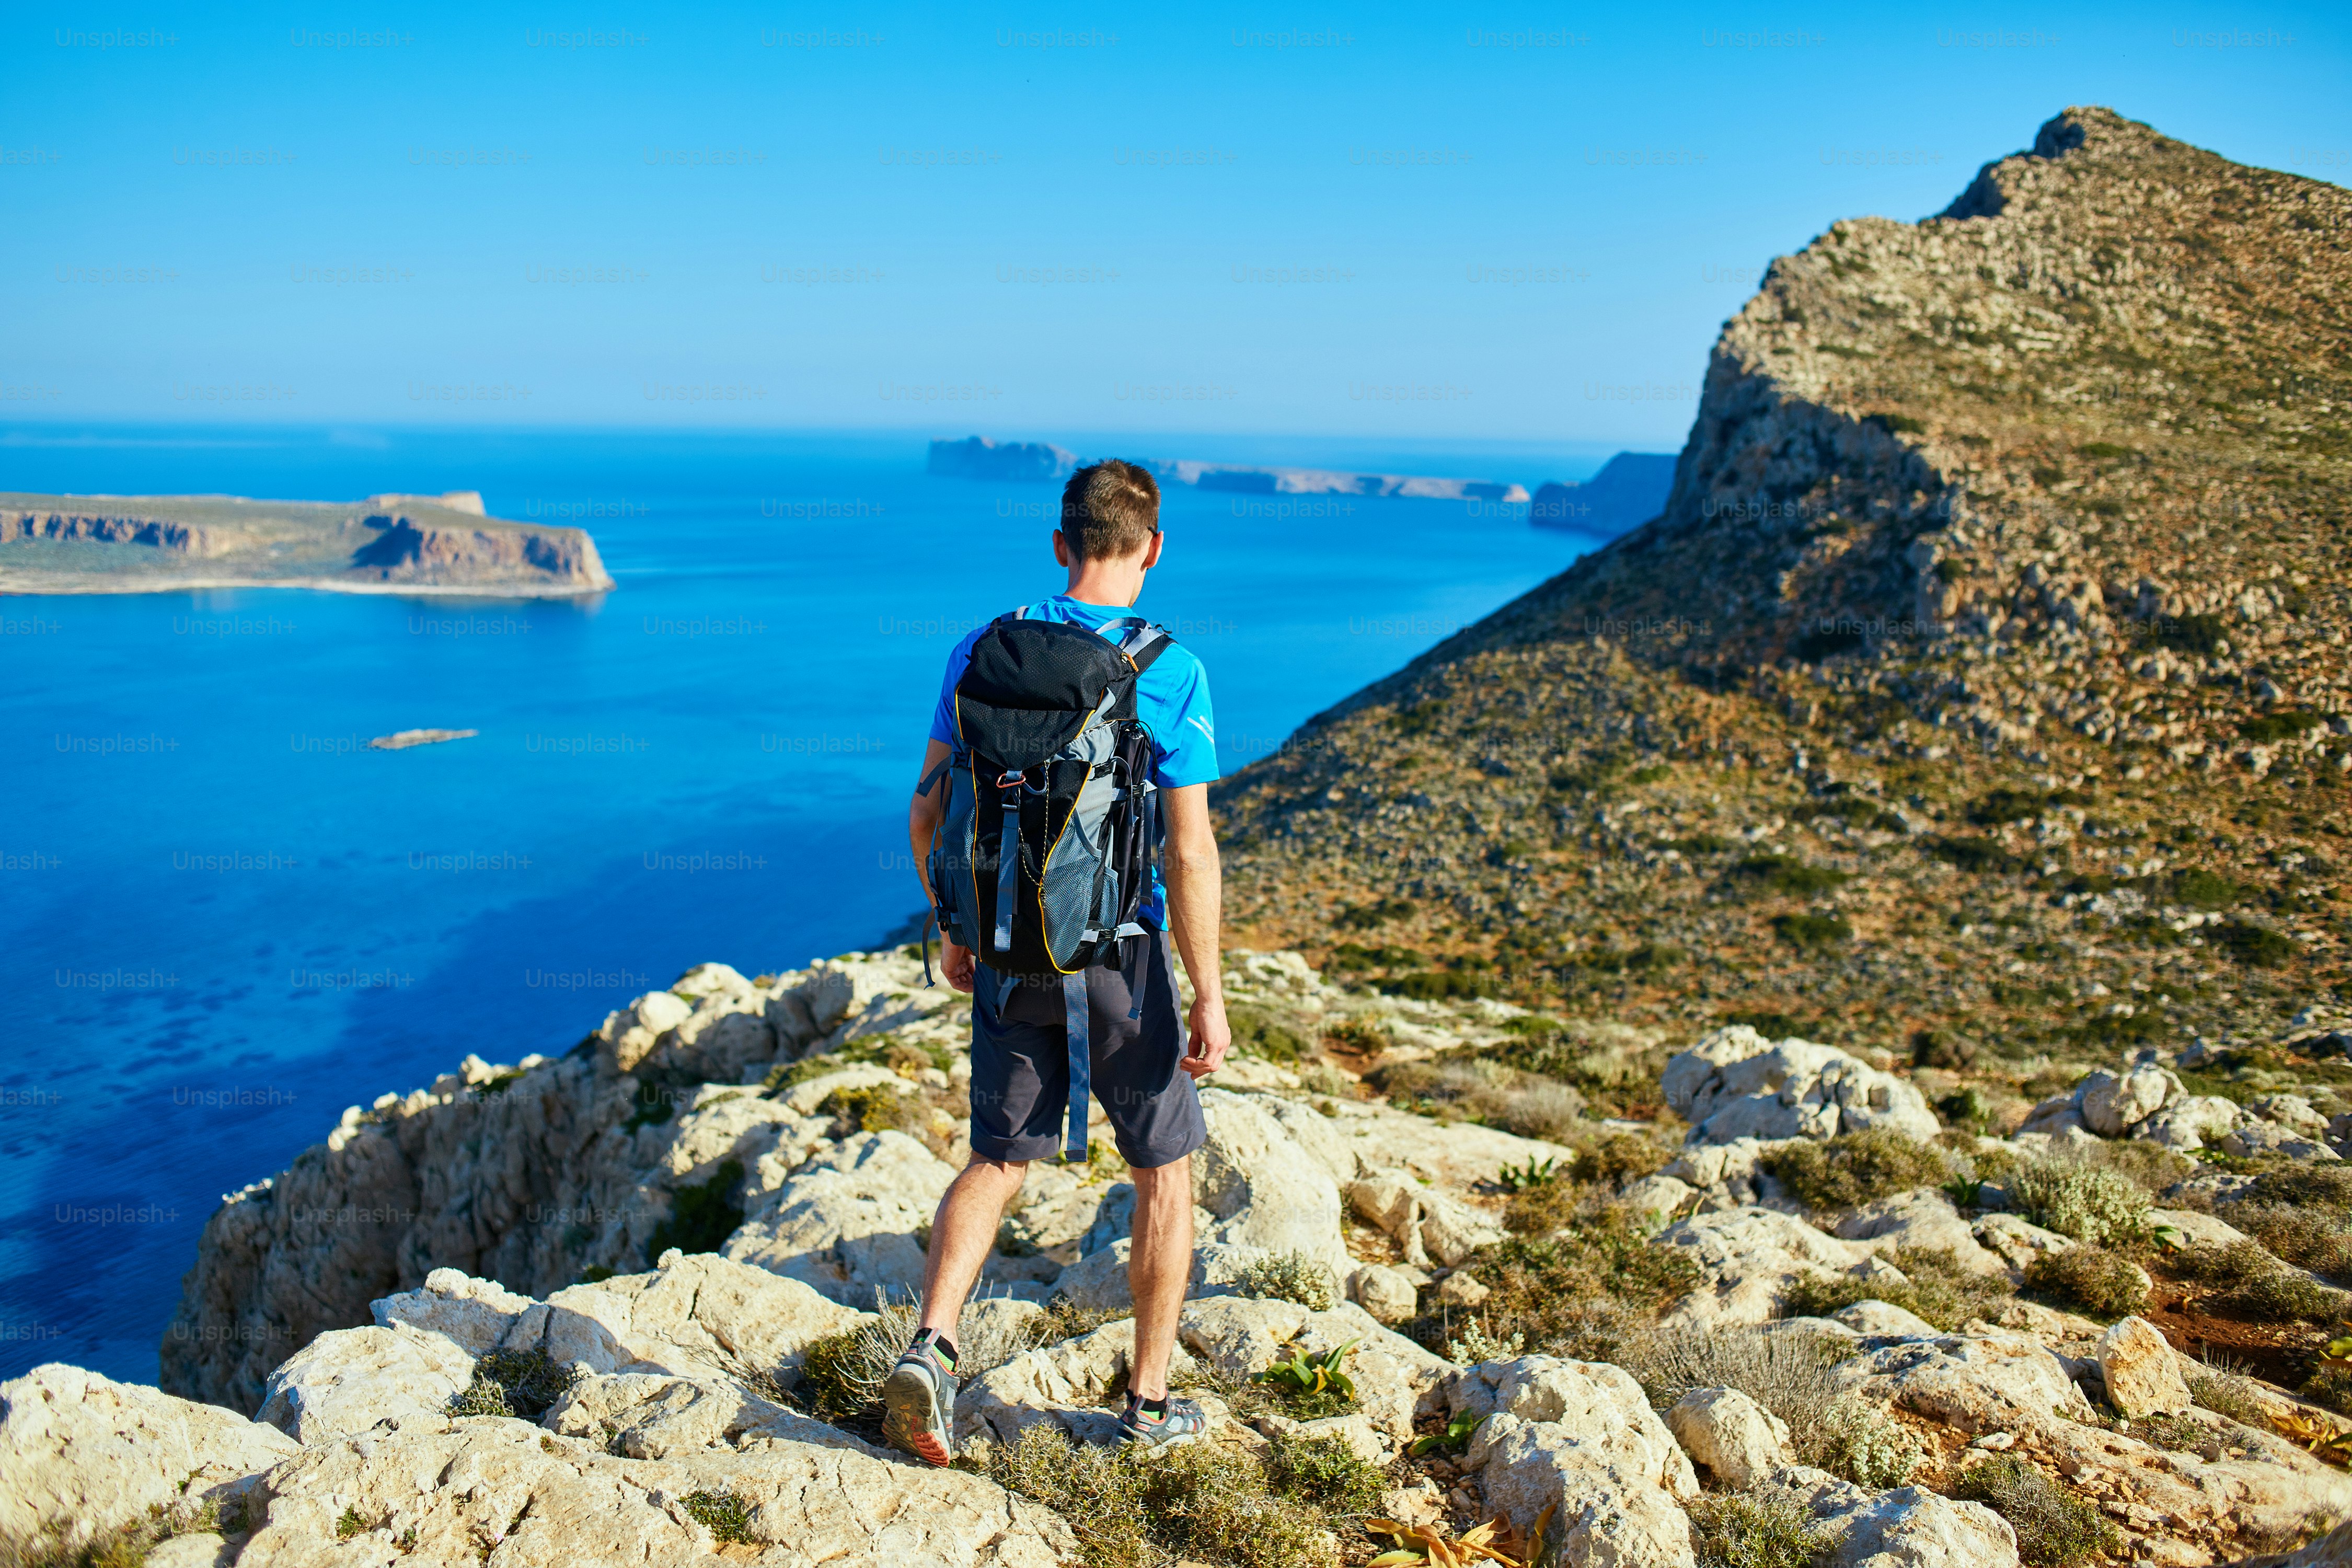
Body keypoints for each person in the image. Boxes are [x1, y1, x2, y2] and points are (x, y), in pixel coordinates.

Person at [887, 458, 1230, 1464]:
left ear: (1059, 546)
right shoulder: (1170, 669)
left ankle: (933, 1346)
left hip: (1003, 950)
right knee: (1163, 1169)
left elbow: (926, 808)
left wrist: (957, 925)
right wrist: (1208, 991)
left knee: (996, 1159)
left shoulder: (979, 649)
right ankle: (1150, 1408)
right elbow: (1189, 849)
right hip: (1122, 959)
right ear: (1153, 549)